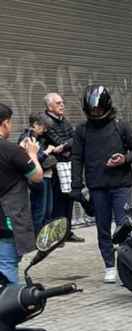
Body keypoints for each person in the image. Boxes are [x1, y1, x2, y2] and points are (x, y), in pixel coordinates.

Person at [71, 85, 132, 283]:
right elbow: (76, 158)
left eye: (98, 110)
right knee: (102, 227)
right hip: (97, 186)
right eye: (91, 111)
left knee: (123, 226)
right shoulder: (82, 131)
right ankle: (109, 265)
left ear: (106, 107)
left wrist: (124, 159)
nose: (95, 113)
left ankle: (127, 265)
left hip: (120, 185)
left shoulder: (120, 126)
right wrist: (76, 186)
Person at [0, 103, 45, 285]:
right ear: (4, 124)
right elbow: (37, 176)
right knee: (7, 267)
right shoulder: (12, 150)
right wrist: (32, 154)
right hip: (7, 221)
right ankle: (9, 311)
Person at [42, 93, 86, 242]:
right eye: (58, 103)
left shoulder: (64, 121)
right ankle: (56, 235)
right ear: (50, 107)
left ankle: (67, 232)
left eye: (62, 102)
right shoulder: (46, 122)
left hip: (68, 164)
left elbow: (75, 140)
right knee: (58, 201)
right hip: (55, 168)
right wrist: (66, 144)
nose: (62, 105)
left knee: (69, 198)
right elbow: (57, 141)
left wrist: (65, 146)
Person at [21, 113, 56, 233]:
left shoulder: (40, 137)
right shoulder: (27, 139)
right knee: (39, 210)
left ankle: (45, 237)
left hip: (47, 175)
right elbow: (30, 160)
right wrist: (47, 152)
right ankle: (37, 238)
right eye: (44, 127)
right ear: (35, 125)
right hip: (37, 178)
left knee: (48, 209)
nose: (45, 130)